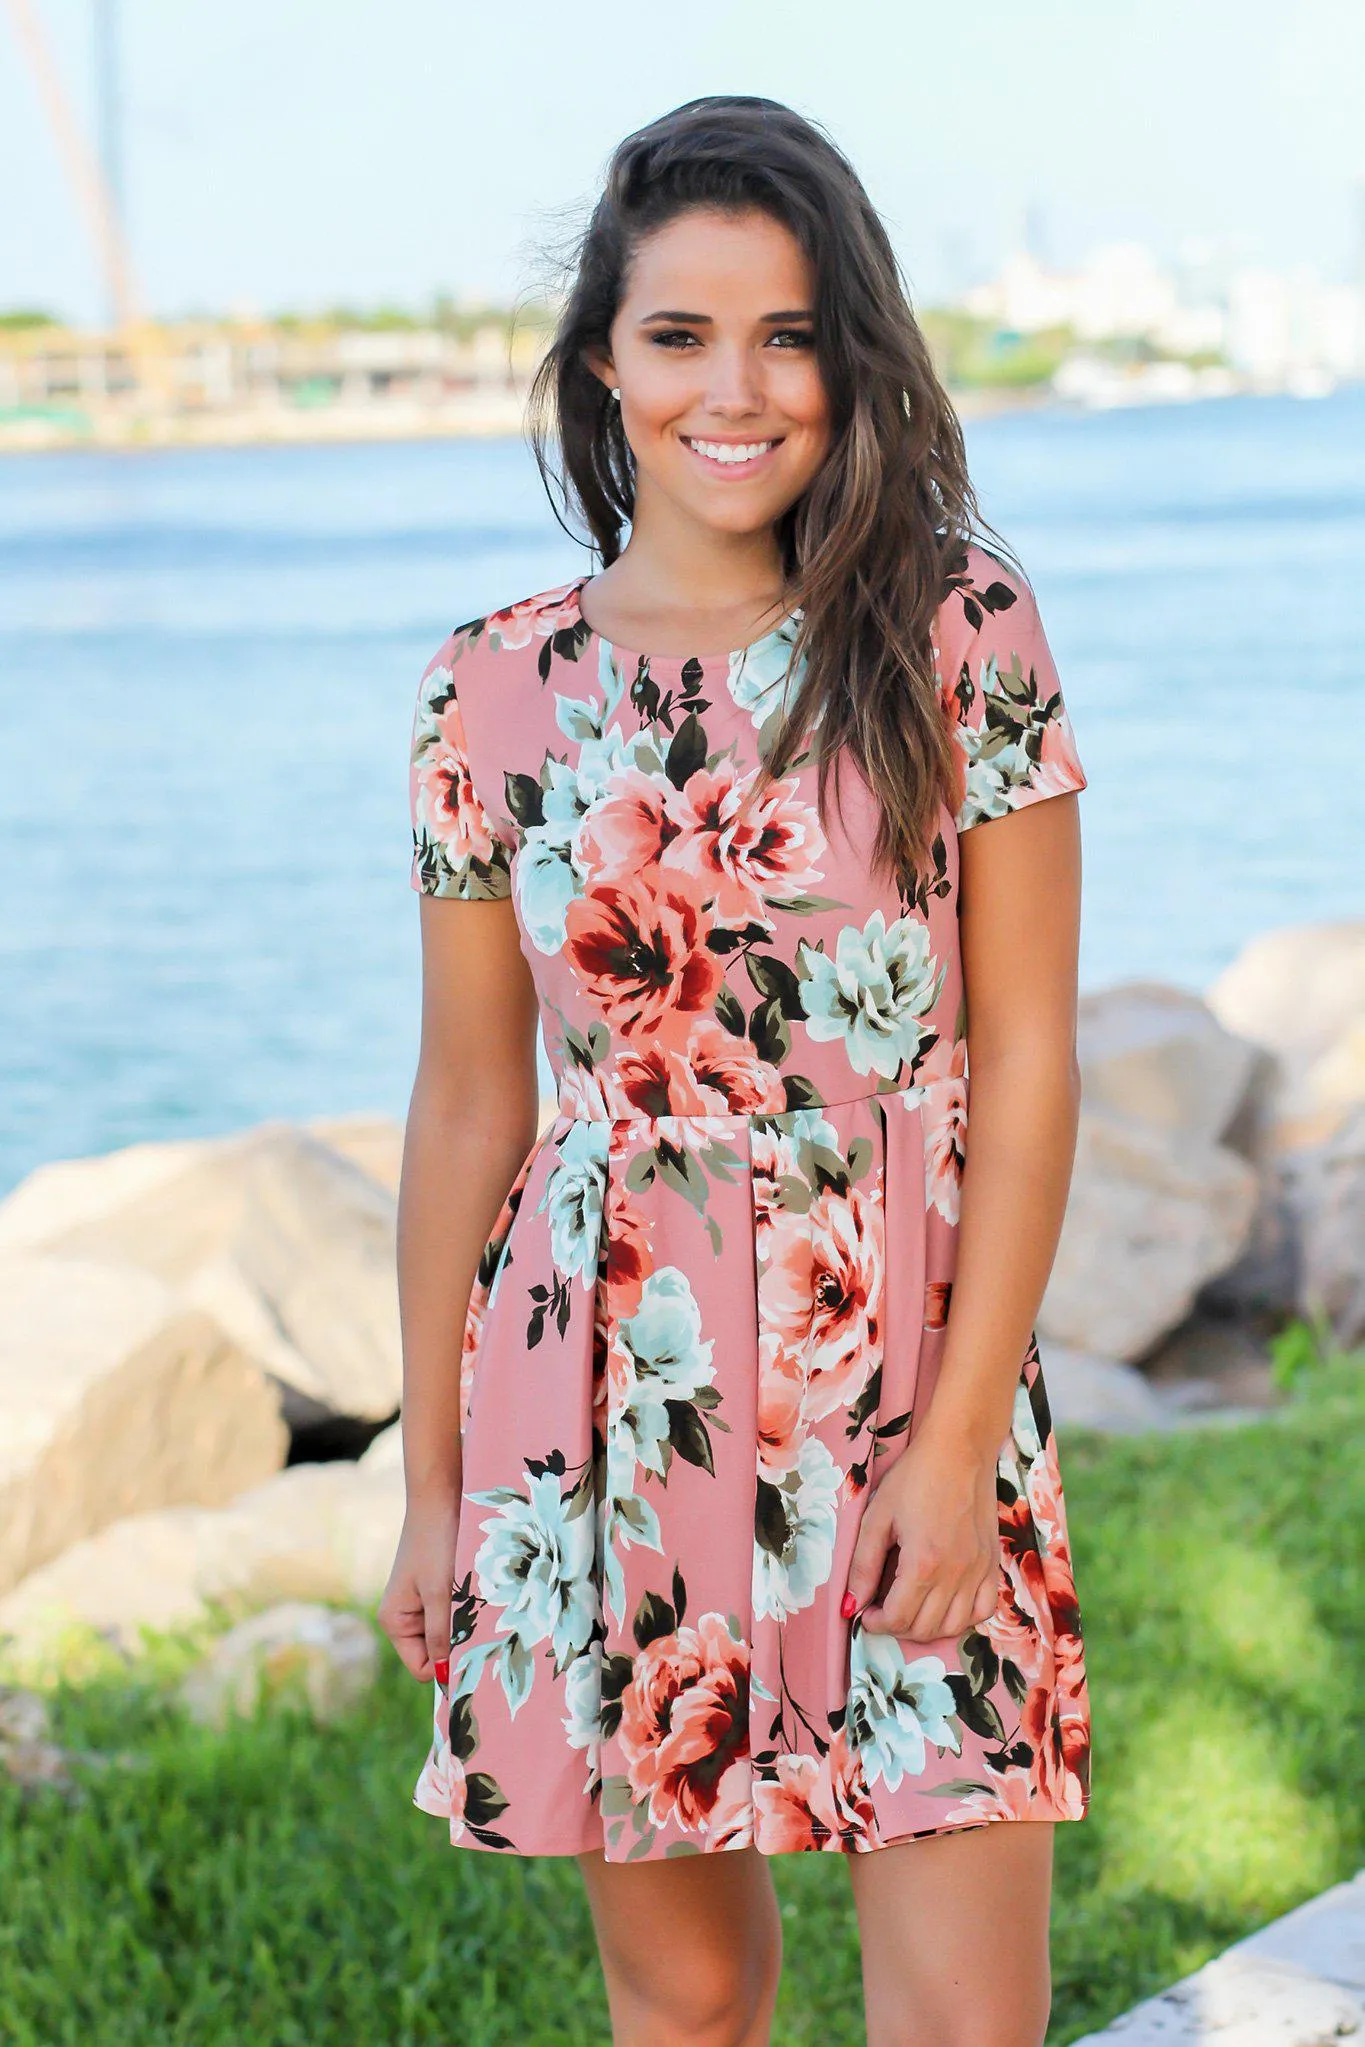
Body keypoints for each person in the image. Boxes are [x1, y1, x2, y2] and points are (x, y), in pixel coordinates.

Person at [379, 94, 1092, 2047]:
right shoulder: (488, 686)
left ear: (849, 361)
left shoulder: (955, 628)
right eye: (680, 333)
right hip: (599, 1395)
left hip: (909, 1376)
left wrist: (956, 1456)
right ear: (603, 363)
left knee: (958, 2017)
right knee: (682, 2007)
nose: (738, 387)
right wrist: (436, 1485)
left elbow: (1025, 1058)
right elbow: (468, 1101)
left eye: (787, 333)